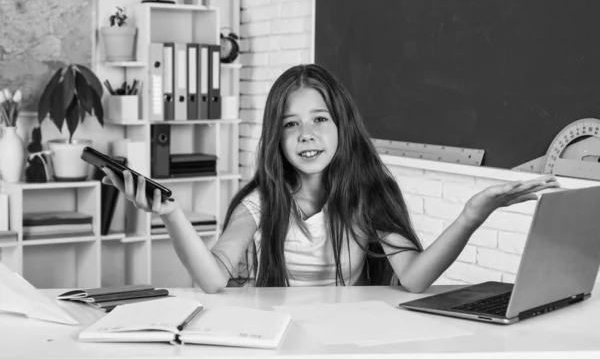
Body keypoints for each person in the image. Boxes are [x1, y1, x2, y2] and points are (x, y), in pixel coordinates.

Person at [101, 64, 560, 294]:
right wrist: (172, 214)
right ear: (275, 138)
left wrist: (471, 215)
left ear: (342, 125)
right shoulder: (260, 202)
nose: (306, 135)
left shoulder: (369, 195)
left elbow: (415, 279)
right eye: (290, 124)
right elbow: (215, 279)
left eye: (319, 119)